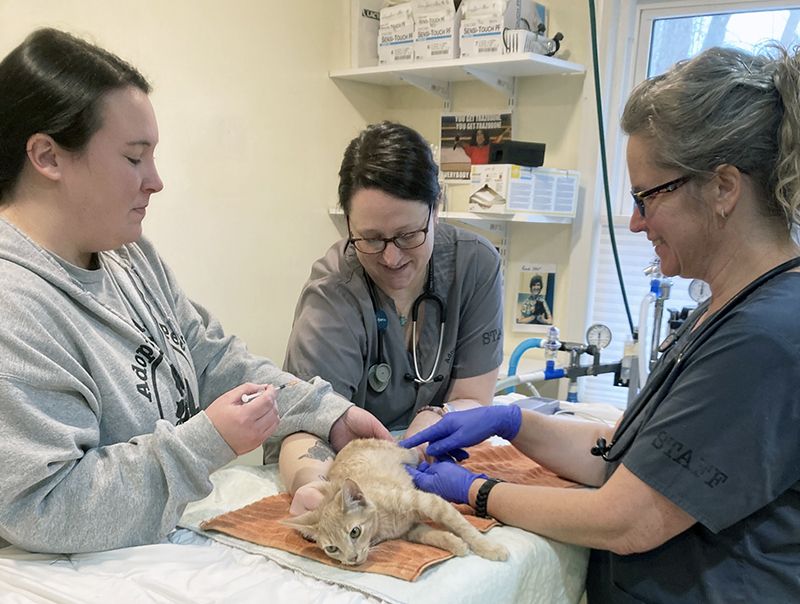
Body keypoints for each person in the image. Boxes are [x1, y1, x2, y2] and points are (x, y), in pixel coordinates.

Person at [402, 45, 800, 603]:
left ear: (723, 186)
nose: (635, 222)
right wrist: (512, 422)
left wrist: (478, 491)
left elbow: (627, 518)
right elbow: (628, 459)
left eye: (647, 197)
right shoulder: (727, 311)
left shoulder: (767, 338)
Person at [0, 28, 390, 555]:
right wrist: (207, 441)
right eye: (135, 158)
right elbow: (42, 509)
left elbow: (209, 360)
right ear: (47, 156)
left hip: (155, 550)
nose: (155, 180)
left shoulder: (128, 255)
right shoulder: (15, 307)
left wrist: (325, 411)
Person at [278, 121, 504, 512]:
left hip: (429, 470)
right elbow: (304, 425)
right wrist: (316, 489)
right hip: (350, 478)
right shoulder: (334, 290)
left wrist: (436, 421)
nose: (391, 257)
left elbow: (474, 398)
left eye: (406, 236)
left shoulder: (476, 265)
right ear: (347, 223)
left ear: (436, 210)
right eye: (370, 238)